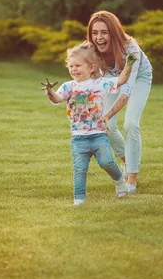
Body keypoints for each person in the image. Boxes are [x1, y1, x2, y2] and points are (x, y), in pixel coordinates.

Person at [41, 43, 136, 206]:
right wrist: (50, 92)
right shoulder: (68, 86)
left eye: (78, 65)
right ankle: (79, 199)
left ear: (91, 67)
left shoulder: (101, 84)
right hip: (78, 138)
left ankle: (120, 181)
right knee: (79, 169)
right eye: (71, 66)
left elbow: (121, 80)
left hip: (99, 135)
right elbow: (57, 100)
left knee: (106, 162)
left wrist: (128, 64)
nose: (73, 69)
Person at [87, 11, 153, 193]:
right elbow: (90, 80)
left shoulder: (131, 49)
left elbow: (125, 91)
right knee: (105, 125)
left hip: (138, 78)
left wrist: (108, 115)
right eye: (95, 33)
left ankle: (131, 180)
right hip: (111, 78)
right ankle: (128, 162)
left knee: (131, 123)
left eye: (104, 32)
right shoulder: (91, 50)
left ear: (114, 32)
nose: (99, 38)